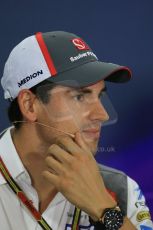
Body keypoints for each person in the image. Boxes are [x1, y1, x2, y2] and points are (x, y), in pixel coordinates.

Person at [0, 31, 152, 230]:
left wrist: (104, 208)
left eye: (100, 96)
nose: (102, 114)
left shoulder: (121, 189)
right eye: (79, 97)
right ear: (29, 105)